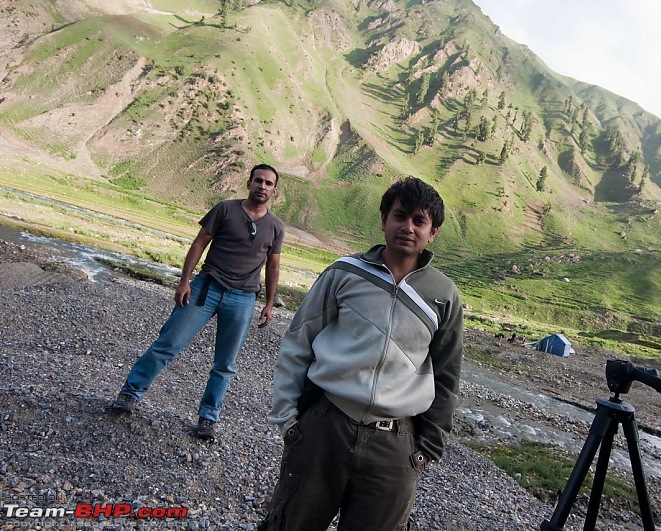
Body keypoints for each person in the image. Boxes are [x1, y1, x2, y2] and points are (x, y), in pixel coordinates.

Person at [259, 176, 463, 531]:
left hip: (395, 444)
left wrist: (427, 448)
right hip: (325, 427)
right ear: (384, 220)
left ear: (433, 234)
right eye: (400, 216)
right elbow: (298, 341)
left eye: (420, 221)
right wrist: (287, 419)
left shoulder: (444, 296)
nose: (407, 227)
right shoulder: (345, 273)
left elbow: (447, 376)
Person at [110, 164, 284, 441]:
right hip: (206, 288)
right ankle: (129, 394)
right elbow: (199, 244)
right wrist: (184, 281)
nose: (262, 186)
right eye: (258, 181)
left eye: (268, 183)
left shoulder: (275, 227)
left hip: (243, 297)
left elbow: (273, 266)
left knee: (225, 364)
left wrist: (269, 303)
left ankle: (208, 419)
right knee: (167, 344)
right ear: (248, 183)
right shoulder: (225, 209)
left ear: (274, 191)